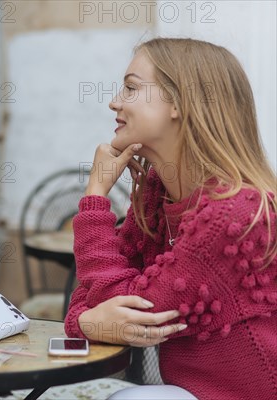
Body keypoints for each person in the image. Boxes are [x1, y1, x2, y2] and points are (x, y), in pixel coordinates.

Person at [65, 38, 277, 399]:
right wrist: (84, 321)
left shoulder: (236, 214)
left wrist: (96, 199)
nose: (114, 101)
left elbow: (133, 309)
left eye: (131, 88)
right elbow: (98, 297)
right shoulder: (156, 197)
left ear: (179, 102)